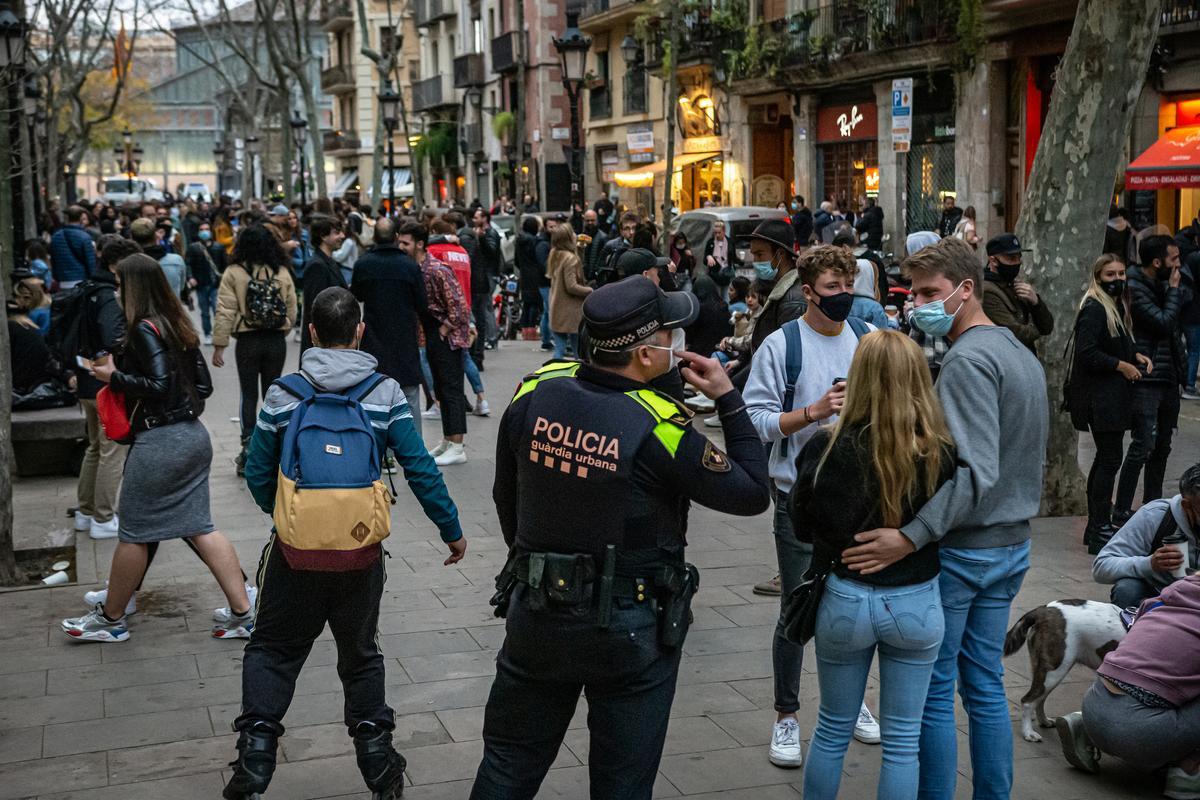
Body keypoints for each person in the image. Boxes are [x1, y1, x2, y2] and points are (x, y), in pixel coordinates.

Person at [469, 275, 771, 799]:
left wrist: (533, 561)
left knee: (508, 766)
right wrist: (727, 396)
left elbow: (506, 495)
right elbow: (750, 493)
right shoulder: (661, 428)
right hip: (629, 629)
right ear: (648, 354)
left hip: (537, 611)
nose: (680, 342)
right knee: (622, 783)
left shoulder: (535, 391)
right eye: (672, 334)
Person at [224, 287, 465, 800]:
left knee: (271, 647)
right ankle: (379, 763)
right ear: (358, 331)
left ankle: (256, 754)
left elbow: (259, 472)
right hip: (361, 553)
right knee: (360, 654)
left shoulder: (284, 394)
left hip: (293, 554)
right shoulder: (385, 393)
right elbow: (419, 467)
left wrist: (290, 516)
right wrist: (452, 529)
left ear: (311, 333)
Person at [841, 236, 1048, 799]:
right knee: (983, 685)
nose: (919, 305)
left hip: (968, 549)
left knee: (935, 690)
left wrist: (911, 536)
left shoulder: (969, 360)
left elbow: (974, 472)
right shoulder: (1016, 352)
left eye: (931, 293)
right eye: (914, 294)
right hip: (1009, 544)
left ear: (966, 290)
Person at [794, 329, 956, 800]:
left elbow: (802, 527)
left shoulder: (826, 446)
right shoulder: (940, 451)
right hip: (916, 602)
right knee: (903, 743)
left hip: (846, 599)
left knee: (830, 730)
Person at [61, 254, 255, 642]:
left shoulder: (142, 330)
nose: (116, 292)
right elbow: (203, 387)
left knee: (134, 531)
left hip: (161, 442)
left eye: (120, 285)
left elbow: (159, 384)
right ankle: (244, 613)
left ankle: (111, 619)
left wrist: (114, 377)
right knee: (199, 527)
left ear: (133, 288)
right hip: (191, 437)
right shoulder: (176, 324)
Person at [744, 244, 881, 767]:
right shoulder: (783, 346)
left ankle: (851, 705)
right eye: (832, 290)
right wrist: (812, 413)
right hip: (797, 497)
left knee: (854, 606)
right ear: (808, 292)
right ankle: (786, 715)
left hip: (861, 497)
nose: (844, 298)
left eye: (849, 288)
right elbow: (754, 420)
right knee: (798, 608)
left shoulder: (867, 340)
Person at [1055, 574, 1200, 799]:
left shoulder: (1167, 597)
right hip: (1143, 735)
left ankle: (1085, 727)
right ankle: (1188, 771)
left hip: (1094, 705)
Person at [1066, 254, 1152, 553]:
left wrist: (1135, 355)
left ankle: (1096, 526)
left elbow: (1112, 341)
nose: (1117, 279)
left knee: (1106, 459)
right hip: (1099, 399)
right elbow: (1087, 353)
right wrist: (1121, 366)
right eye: (1110, 274)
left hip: (1111, 397)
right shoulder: (1093, 307)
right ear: (1098, 276)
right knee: (1109, 459)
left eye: (1121, 274)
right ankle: (1100, 525)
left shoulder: (1113, 305)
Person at [212, 225, 298, 476]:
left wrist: (220, 344)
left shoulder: (234, 272)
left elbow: (225, 309)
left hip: (247, 341)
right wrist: (284, 329)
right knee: (273, 394)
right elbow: (292, 307)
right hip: (274, 340)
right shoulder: (281, 271)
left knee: (248, 395)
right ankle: (274, 445)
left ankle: (248, 449)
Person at [1114, 234, 1189, 524]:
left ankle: (1153, 506)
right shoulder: (1135, 288)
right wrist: (1172, 292)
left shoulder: (1161, 286)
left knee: (1162, 444)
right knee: (1143, 443)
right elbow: (1162, 323)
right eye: (1174, 259)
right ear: (1157, 262)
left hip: (1168, 376)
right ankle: (1121, 510)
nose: (1178, 266)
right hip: (1147, 378)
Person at [71, 238, 137, 541]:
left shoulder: (88, 289)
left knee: (95, 447)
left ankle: (86, 512)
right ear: (115, 265)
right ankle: (103, 516)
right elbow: (112, 338)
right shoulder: (109, 296)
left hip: (85, 379)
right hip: (103, 382)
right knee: (112, 449)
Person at [398, 221, 471, 465]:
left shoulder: (437, 270)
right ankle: (449, 439)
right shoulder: (416, 269)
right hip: (433, 335)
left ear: (419, 244)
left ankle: (458, 445)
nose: (401, 247)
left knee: (451, 389)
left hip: (447, 338)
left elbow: (459, 306)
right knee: (440, 388)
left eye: (405, 243)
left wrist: (444, 328)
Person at [350, 217, 429, 439]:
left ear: (375, 237)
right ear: (396, 238)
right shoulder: (410, 266)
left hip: (374, 338)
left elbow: (357, 295)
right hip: (404, 338)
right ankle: (414, 448)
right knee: (410, 396)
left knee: (374, 397)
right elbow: (422, 303)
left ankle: (383, 453)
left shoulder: (363, 264)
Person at [1093, 464, 1200, 609]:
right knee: (1127, 590)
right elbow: (1102, 566)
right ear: (1186, 506)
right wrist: (1150, 564)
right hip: (1159, 596)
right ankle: (1138, 629)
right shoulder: (1155, 515)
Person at [980, 233, 1054, 354]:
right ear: (993, 261)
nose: (1017, 262)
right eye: (1011, 258)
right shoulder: (987, 291)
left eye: (1019, 257)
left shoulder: (1015, 285)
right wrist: (1038, 328)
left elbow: (1047, 326)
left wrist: (1036, 302)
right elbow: (1016, 333)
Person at [747, 219, 807, 354]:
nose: (755, 262)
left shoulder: (793, 300)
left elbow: (789, 354)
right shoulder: (780, 288)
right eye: (753, 255)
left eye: (759, 254)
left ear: (780, 254)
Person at [299, 215, 348, 354]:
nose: (342, 236)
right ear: (323, 236)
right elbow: (316, 307)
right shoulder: (317, 265)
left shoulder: (327, 261)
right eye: (336, 232)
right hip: (325, 342)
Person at [546, 222, 591, 359]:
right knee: (578, 350)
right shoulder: (570, 259)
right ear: (567, 238)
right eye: (572, 233)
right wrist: (589, 290)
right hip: (571, 312)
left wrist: (580, 250)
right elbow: (571, 286)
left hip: (557, 309)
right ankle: (577, 377)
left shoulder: (555, 253)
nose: (575, 235)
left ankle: (553, 375)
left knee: (559, 349)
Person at [465, 206, 502, 361]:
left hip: (487, 277)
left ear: (484, 218)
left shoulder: (489, 233)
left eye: (477, 217)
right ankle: (488, 338)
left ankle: (491, 337)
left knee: (485, 309)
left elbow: (492, 253)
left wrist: (481, 239)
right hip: (483, 277)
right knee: (484, 309)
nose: (474, 219)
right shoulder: (479, 234)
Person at [184, 220, 227, 345]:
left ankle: (219, 334)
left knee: (216, 309)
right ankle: (207, 334)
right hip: (200, 284)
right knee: (204, 311)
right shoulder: (193, 248)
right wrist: (190, 277)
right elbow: (188, 264)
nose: (204, 232)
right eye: (201, 229)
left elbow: (224, 266)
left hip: (215, 284)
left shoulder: (219, 247)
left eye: (206, 229)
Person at [131, 217, 188, 299]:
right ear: (156, 235)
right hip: (171, 309)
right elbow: (181, 286)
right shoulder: (176, 261)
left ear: (132, 237)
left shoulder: (127, 265)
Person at [685, 273, 732, 358]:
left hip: (698, 353)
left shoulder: (696, 309)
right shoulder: (723, 305)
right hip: (721, 351)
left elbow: (689, 334)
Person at [50, 205, 96, 290]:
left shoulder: (56, 236)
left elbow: (53, 260)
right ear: (81, 218)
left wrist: (56, 276)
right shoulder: (85, 237)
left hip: (62, 280)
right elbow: (90, 262)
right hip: (81, 280)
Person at [515, 216, 543, 340]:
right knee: (534, 303)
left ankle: (525, 329)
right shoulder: (534, 241)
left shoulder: (519, 241)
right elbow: (538, 257)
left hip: (524, 274)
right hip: (535, 274)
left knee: (526, 303)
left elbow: (516, 260)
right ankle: (531, 329)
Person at [580, 209, 609, 279]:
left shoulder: (603, 237)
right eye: (587, 220)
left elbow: (604, 259)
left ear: (596, 220)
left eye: (592, 220)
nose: (590, 222)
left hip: (596, 277)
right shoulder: (582, 236)